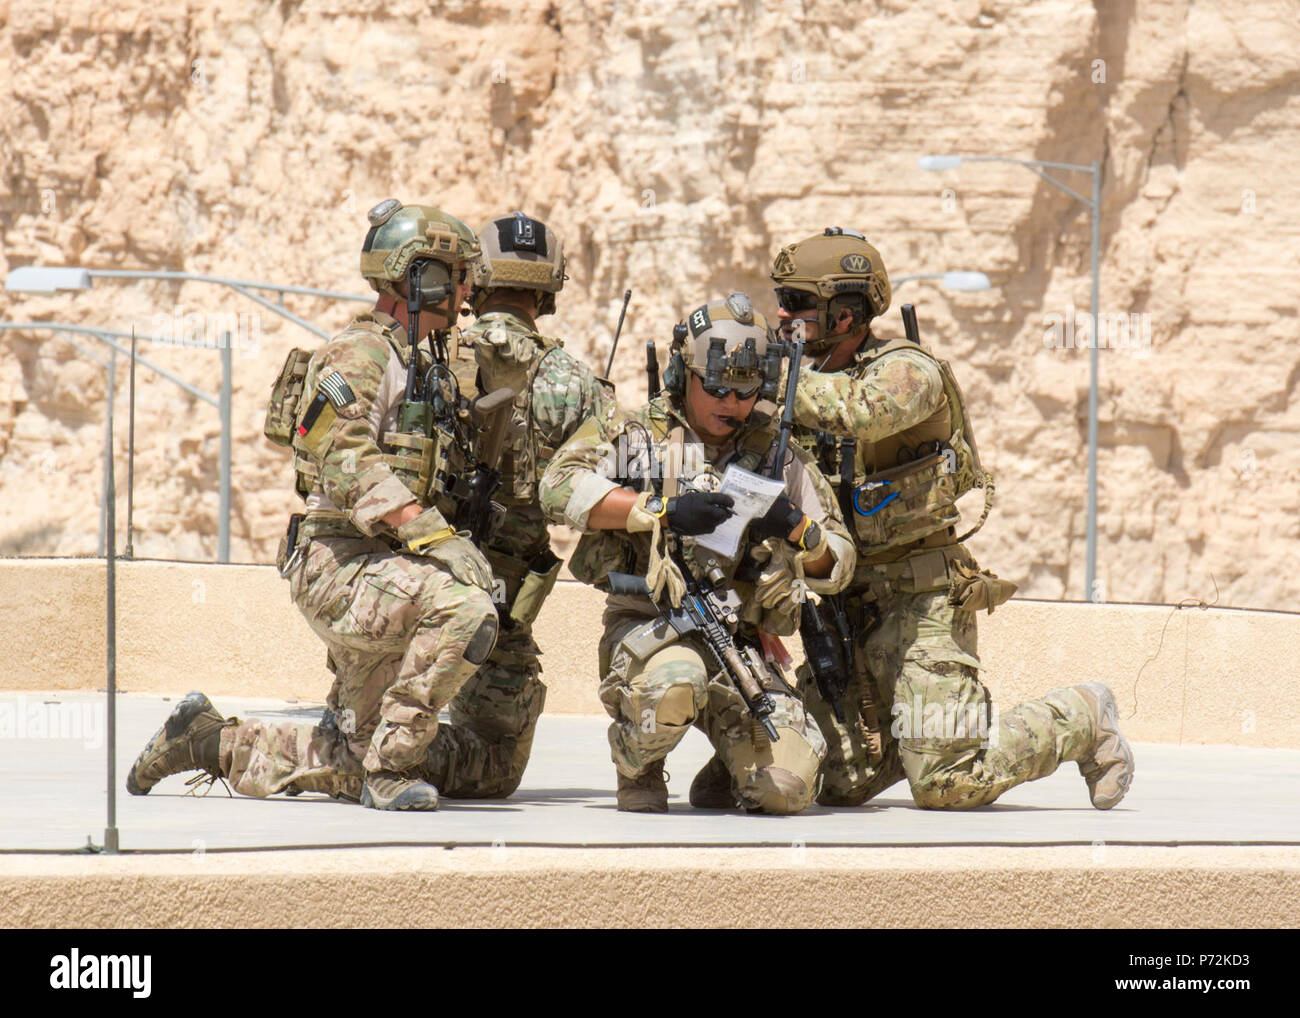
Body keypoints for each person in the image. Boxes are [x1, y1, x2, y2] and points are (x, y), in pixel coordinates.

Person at [126, 199, 501, 811]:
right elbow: (341, 453)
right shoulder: (360, 353)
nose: (464, 292)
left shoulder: (422, 358)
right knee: (465, 608)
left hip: (383, 569)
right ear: (417, 276)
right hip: (340, 565)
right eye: (454, 275)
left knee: (346, 760)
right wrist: (433, 536)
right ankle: (393, 771)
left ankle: (204, 741)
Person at [743, 226, 1134, 811]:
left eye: (797, 302)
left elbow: (858, 412)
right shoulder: (799, 382)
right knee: (830, 782)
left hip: (921, 604)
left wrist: (766, 377)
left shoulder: (907, 371)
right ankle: (921, 734)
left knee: (950, 784)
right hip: (845, 605)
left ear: (846, 314)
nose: (781, 312)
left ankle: (1081, 716)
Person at [539, 292, 855, 814]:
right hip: (652, 630)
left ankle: (731, 770)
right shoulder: (639, 434)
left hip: (740, 645)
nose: (730, 404)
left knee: (788, 789)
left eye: (745, 391)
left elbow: (839, 565)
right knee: (674, 685)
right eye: (714, 388)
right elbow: (558, 487)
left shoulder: (775, 451)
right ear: (682, 375)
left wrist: (797, 529)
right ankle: (636, 761)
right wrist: (659, 509)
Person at [419, 210, 619, 798]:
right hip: (499, 613)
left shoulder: (428, 356)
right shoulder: (576, 385)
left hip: (407, 598)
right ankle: (380, 753)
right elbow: (607, 494)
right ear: (550, 288)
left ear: (476, 280)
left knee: (369, 732)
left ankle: (368, 745)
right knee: (493, 770)